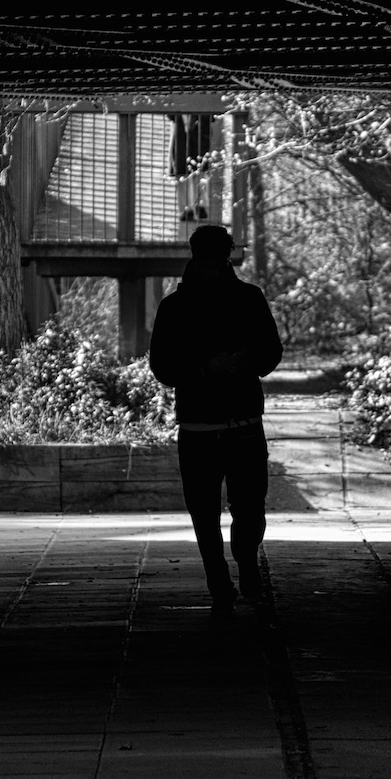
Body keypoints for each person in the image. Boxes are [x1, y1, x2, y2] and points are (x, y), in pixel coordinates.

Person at [149, 225, 283, 615]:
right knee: (205, 513)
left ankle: (244, 561)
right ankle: (219, 580)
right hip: (201, 428)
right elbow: (162, 365)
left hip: (241, 424)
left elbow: (271, 353)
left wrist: (244, 362)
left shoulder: (248, 299)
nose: (212, 268)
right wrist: (205, 369)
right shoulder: (174, 307)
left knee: (249, 508)